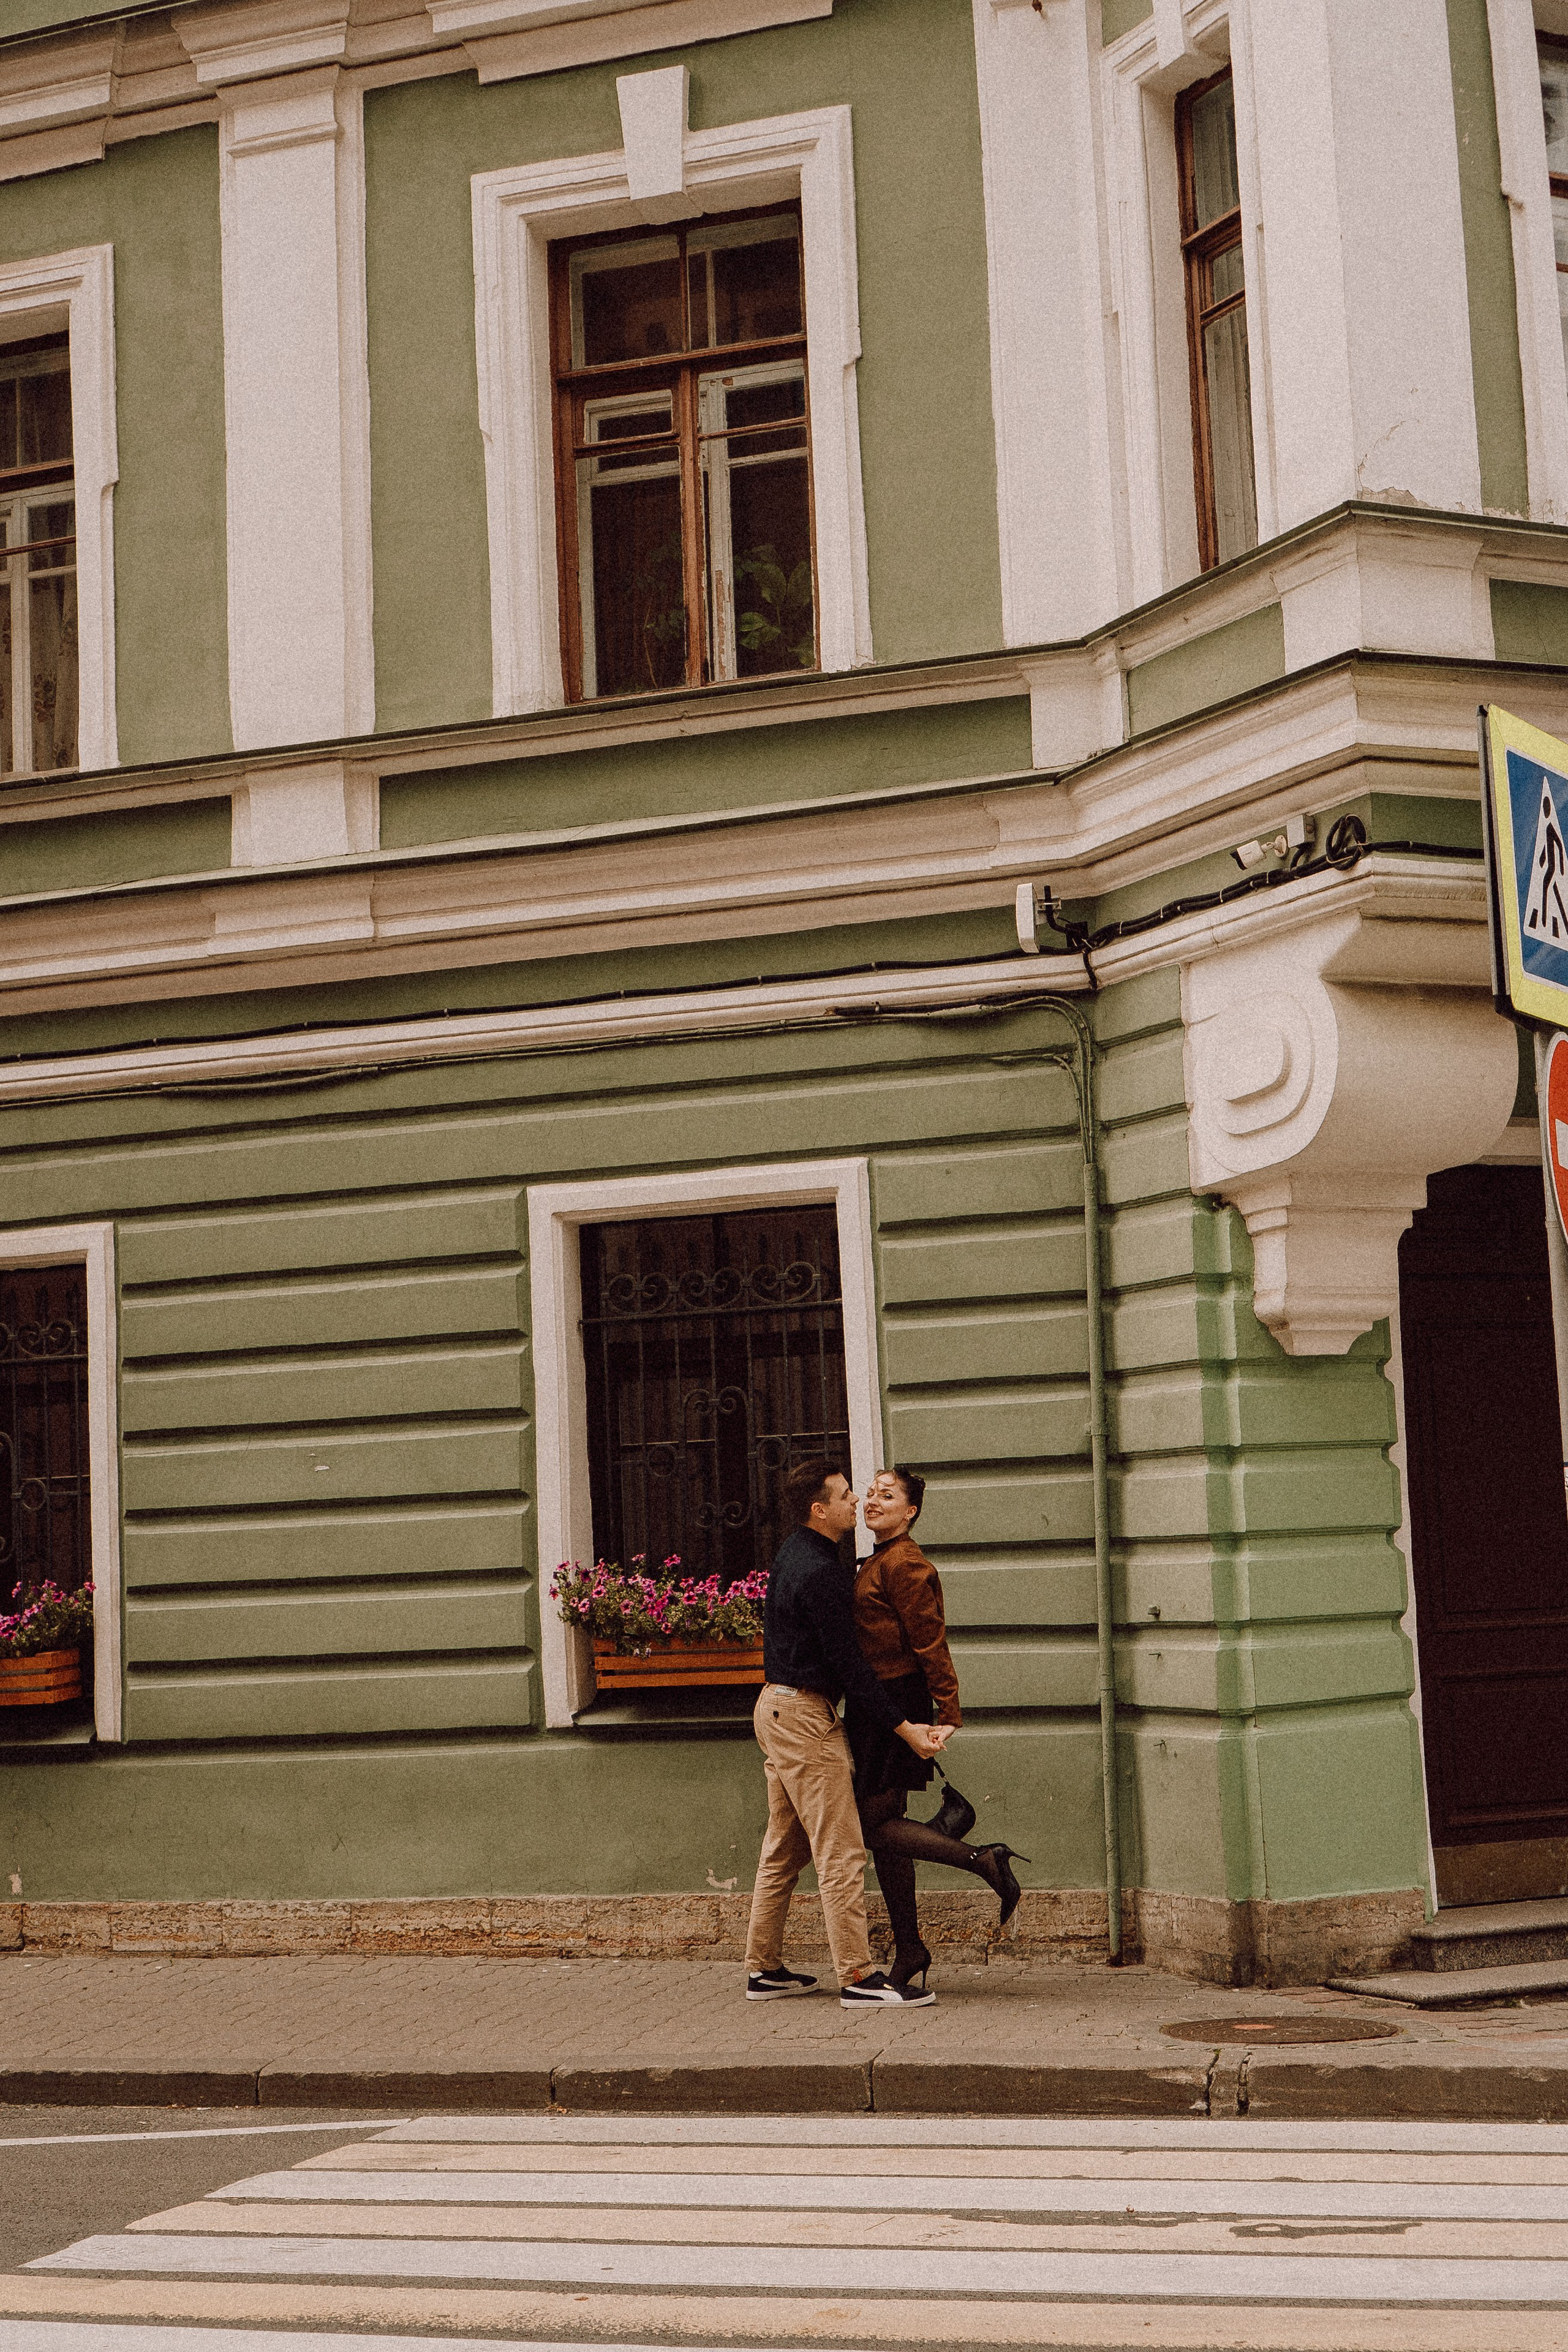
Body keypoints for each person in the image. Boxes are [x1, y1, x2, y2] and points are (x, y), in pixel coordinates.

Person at [744, 1458, 949, 2008]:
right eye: (845, 1496)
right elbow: (852, 1668)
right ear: (820, 1509)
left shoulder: (796, 1552)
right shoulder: (823, 1574)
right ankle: (858, 1977)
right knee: (842, 1851)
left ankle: (763, 1970)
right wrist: (906, 1728)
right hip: (804, 1719)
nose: (857, 1501)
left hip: (775, 1709)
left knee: (784, 1850)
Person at [848, 1465, 1028, 1992]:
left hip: (893, 1702)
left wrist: (948, 1711)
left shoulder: (905, 1563)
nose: (873, 1501)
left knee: (871, 1827)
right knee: (886, 1831)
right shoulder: (880, 1558)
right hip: (876, 1703)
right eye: (871, 1493)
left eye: (888, 1496)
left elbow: (930, 1641)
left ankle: (982, 1859)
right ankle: (910, 1949)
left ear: (910, 1512)